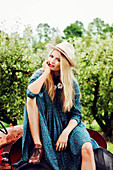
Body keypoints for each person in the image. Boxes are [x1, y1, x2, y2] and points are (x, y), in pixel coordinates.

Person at [20, 41, 99, 170]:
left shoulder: (71, 83)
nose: (52, 61)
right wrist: (46, 72)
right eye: (51, 56)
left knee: (87, 147)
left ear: (65, 64)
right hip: (45, 123)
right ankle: (37, 146)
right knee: (31, 99)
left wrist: (65, 133)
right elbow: (30, 93)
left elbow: (76, 114)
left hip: (69, 125)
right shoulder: (40, 75)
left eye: (58, 60)